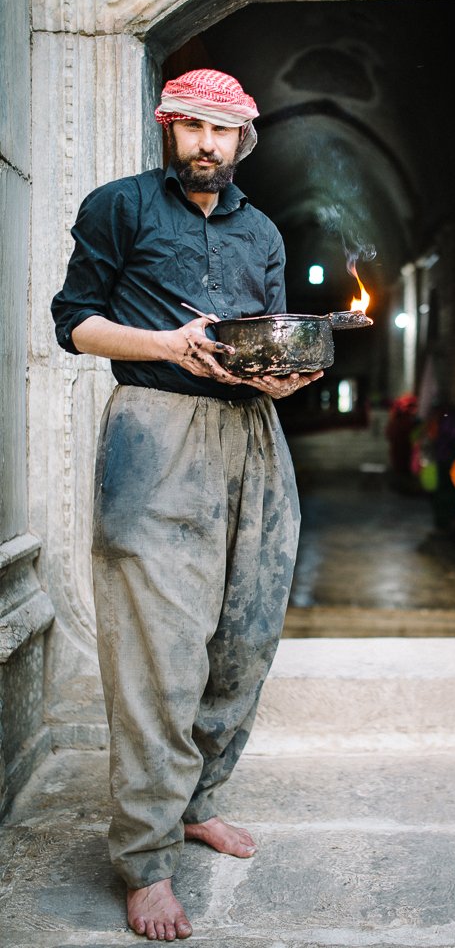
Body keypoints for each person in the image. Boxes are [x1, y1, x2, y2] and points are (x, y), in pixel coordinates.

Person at [52, 69, 321, 941]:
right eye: (192, 128)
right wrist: (165, 342)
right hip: (155, 431)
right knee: (156, 653)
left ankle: (197, 801)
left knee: (244, 638)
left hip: (252, 440)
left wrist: (288, 379)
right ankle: (144, 858)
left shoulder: (264, 231)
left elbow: (272, 344)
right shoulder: (119, 207)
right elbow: (77, 323)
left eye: (223, 132)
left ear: (244, 141)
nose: (207, 145)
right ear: (168, 128)